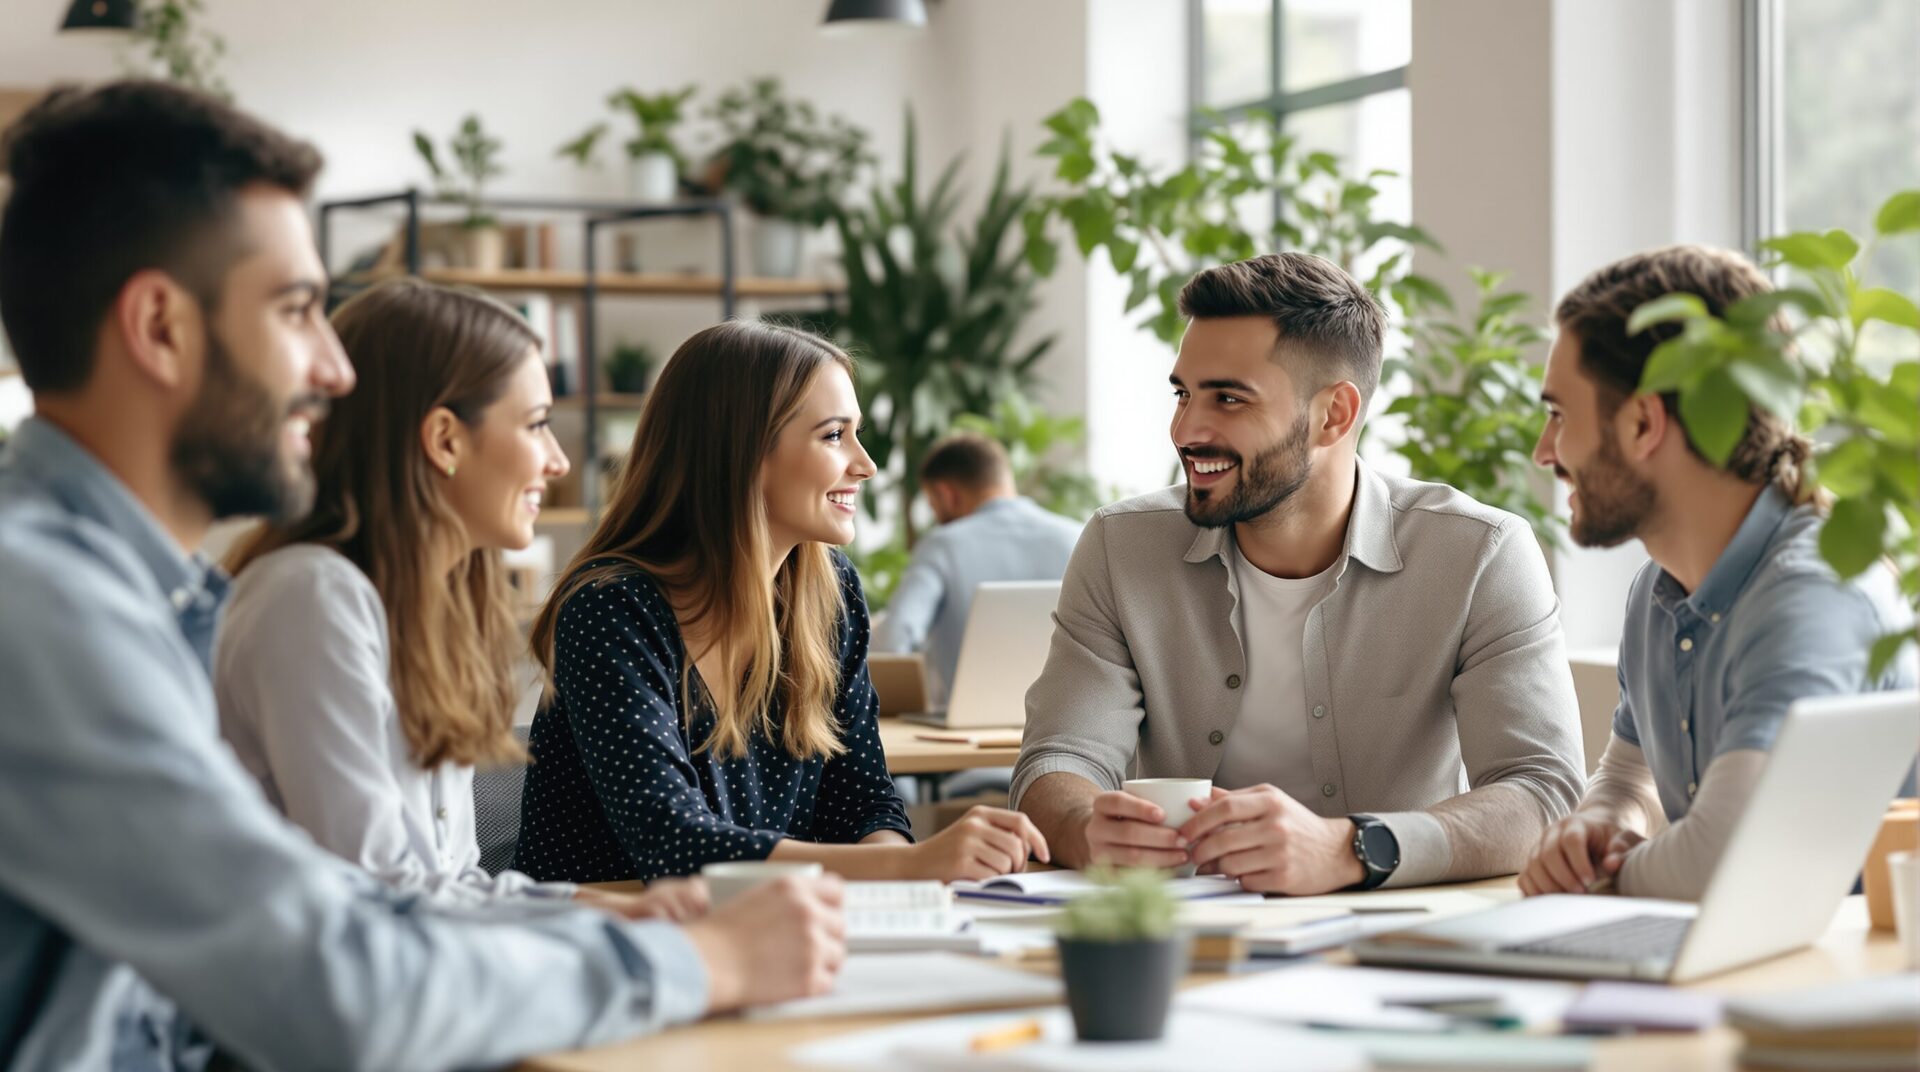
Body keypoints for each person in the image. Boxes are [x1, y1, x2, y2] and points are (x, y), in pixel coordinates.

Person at [0, 80, 841, 1071]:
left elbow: (342, 913)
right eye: (298, 311)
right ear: (159, 327)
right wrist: (696, 962)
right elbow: (339, 982)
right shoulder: (46, 607)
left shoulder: (136, 596)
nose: (334, 369)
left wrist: (619, 934)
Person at [1013, 252, 1586, 895]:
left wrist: (1352, 849)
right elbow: (1058, 758)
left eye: (1228, 398)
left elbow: (1543, 790)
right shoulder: (1123, 547)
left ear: (1334, 415)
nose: (1186, 429)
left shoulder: (1480, 554)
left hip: (1389, 936)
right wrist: (1085, 825)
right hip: (1182, 933)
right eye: (1184, 394)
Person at [214, 278, 700, 919]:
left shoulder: (429, 612)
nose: (556, 462)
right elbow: (383, 896)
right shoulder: (311, 600)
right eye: (536, 425)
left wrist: (617, 913)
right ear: (444, 440)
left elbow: (451, 879)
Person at [513, 320, 1051, 884]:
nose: (865, 464)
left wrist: (908, 886)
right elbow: (670, 842)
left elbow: (864, 802)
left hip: (764, 934)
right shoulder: (611, 608)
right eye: (834, 435)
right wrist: (910, 862)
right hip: (607, 948)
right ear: (742, 450)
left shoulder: (829, 592)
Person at [1519, 245, 1917, 901]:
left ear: (1644, 422)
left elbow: (1729, 859)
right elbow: (1629, 779)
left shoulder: (1810, 594)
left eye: (1559, 415)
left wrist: (1593, 886)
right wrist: (1596, 827)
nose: (1543, 451)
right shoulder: (1659, 590)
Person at [873, 432, 1083, 709]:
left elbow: (894, 641)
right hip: (1064, 726)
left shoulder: (942, 545)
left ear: (945, 494)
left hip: (967, 732)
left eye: (933, 505)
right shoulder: (1076, 536)